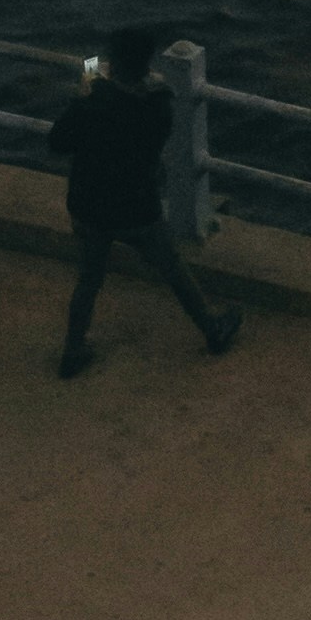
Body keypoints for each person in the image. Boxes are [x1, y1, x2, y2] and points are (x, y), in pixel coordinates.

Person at [46, 26, 241, 380]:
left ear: (114, 62)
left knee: (88, 280)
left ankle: (72, 351)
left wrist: (86, 89)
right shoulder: (156, 107)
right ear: (146, 65)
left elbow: (57, 142)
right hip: (136, 208)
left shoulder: (91, 103)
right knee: (172, 267)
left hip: (89, 205)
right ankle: (212, 328)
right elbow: (151, 112)